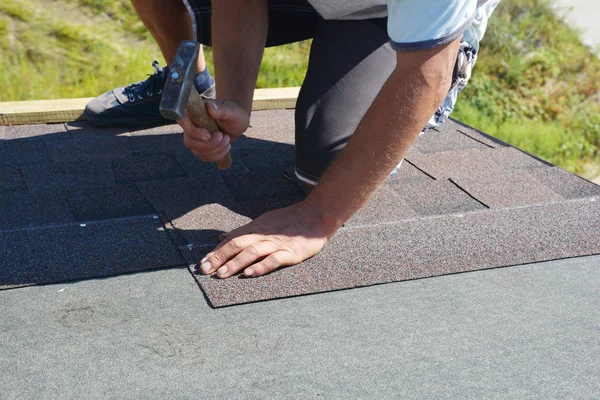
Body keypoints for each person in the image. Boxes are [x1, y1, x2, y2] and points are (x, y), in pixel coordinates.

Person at [86, 0, 501, 279]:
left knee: (326, 176)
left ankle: (457, 53)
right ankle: (192, 81)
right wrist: (235, 104)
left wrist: (315, 219)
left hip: (388, 15)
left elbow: (423, 74)